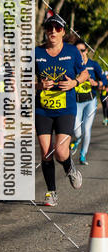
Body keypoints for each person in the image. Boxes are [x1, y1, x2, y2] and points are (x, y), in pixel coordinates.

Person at [35, 12, 87, 207]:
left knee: (61, 152)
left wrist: (74, 82)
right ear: (46, 31)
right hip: (43, 109)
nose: (53, 31)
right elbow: (25, 81)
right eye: (49, 28)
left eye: (57, 28)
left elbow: (83, 73)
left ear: (63, 31)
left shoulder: (72, 51)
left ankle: (70, 168)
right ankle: (51, 192)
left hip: (66, 108)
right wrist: (39, 86)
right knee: (46, 152)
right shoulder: (36, 53)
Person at [70, 39, 107, 165]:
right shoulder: (72, 65)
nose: (80, 53)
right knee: (77, 130)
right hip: (76, 101)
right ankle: (77, 140)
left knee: (86, 128)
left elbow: (104, 81)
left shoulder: (93, 65)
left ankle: (82, 155)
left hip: (90, 101)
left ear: (87, 51)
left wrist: (96, 83)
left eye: (83, 50)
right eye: (77, 51)